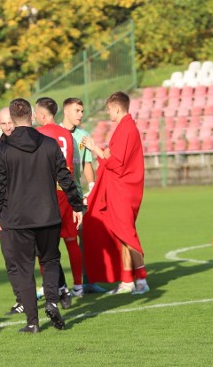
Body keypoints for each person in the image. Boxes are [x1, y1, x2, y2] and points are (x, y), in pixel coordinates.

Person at [0, 98, 84, 333]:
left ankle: (32, 321)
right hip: (47, 215)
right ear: (31, 117)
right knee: (50, 261)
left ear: (12, 119)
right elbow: (66, 177)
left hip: (16, 220)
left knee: (23, 269)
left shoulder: (1, 149)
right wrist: (77, 206)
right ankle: (51, 300)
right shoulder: (49, 145)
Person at [81, 91, 149, 295]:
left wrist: (94, 148)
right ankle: (127, 280)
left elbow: (115, 163)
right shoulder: (124, 127)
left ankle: (142, 280)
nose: (108, 112)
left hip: (123, 189)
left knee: (127, 234)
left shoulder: (127, 128)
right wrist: (102, 152)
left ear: (117, 108)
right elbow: (112, 156)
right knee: (121, 234)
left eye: (109, 108)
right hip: (119, 188)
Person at [35, 97, 85, 297]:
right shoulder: (67, 135)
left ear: (43, 115)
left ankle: (51, 286)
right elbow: (71, 167)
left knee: (45, 244)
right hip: (67, 192)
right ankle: (78, 286)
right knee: (72, 241)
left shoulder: (38, 134)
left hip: (48, 194)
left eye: (36, 114)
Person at [61, 97, 108, 294]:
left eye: (82, 111)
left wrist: (91, 186)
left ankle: (87, 281)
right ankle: (55, 285)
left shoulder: (83, 135)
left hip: (78, 197)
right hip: (58, 196)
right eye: (77, 110)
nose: (81, 114)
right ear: (66, 112)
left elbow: (87, 164)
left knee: (84, 238)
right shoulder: (55, 134)